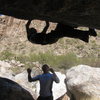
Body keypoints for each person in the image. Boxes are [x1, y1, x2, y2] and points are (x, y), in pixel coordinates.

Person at [26, 20, 97, 45]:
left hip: (49, 39)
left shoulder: (30, 36)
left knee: (62, 27)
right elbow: (47, 26)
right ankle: (87, 34)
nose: (35, 30)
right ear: (34, 32)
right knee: (64, 32)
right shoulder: (35, 36)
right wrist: (46, 19)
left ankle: (86, 35)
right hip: (50, 39)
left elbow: (26, 26)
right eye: (34, 30)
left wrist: (30, 19)